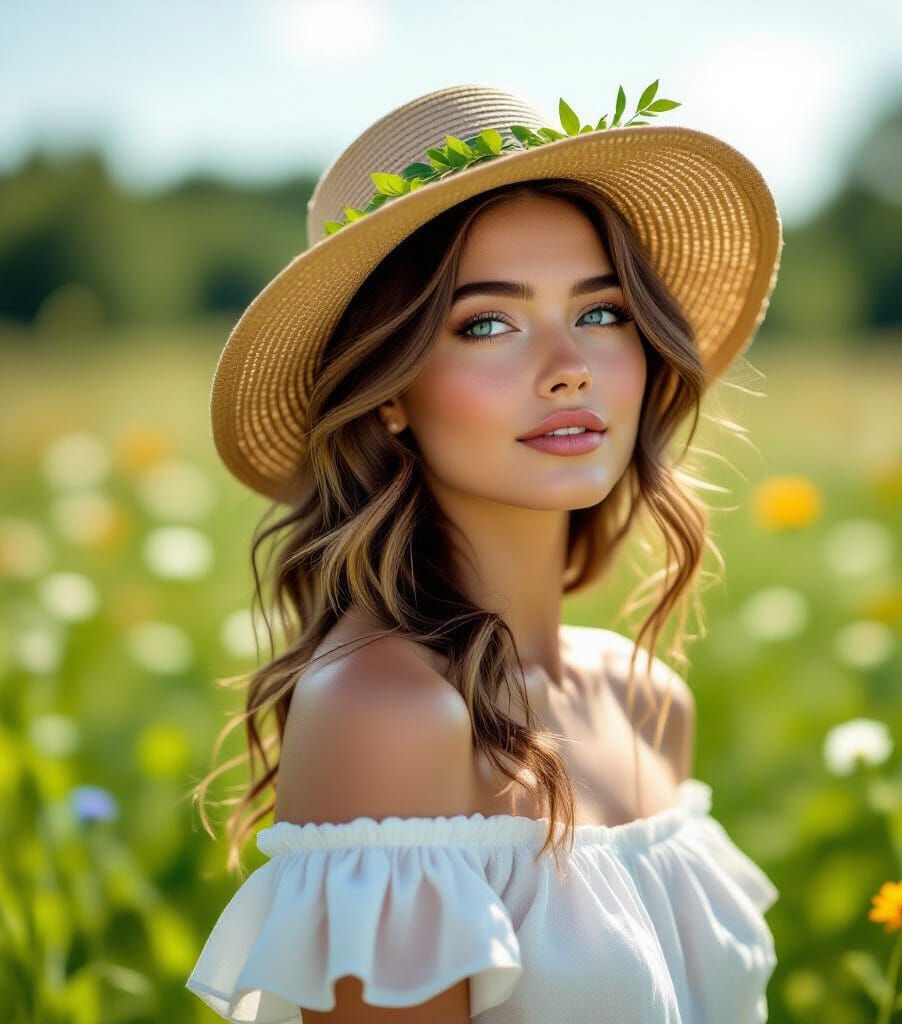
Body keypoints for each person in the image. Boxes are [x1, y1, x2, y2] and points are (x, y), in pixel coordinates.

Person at [186, 80, 784, 1023]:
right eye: (488, 324)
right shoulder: (387, 713)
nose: (569, 364)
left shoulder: (647, 700)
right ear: (388, 390)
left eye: (602, 312)